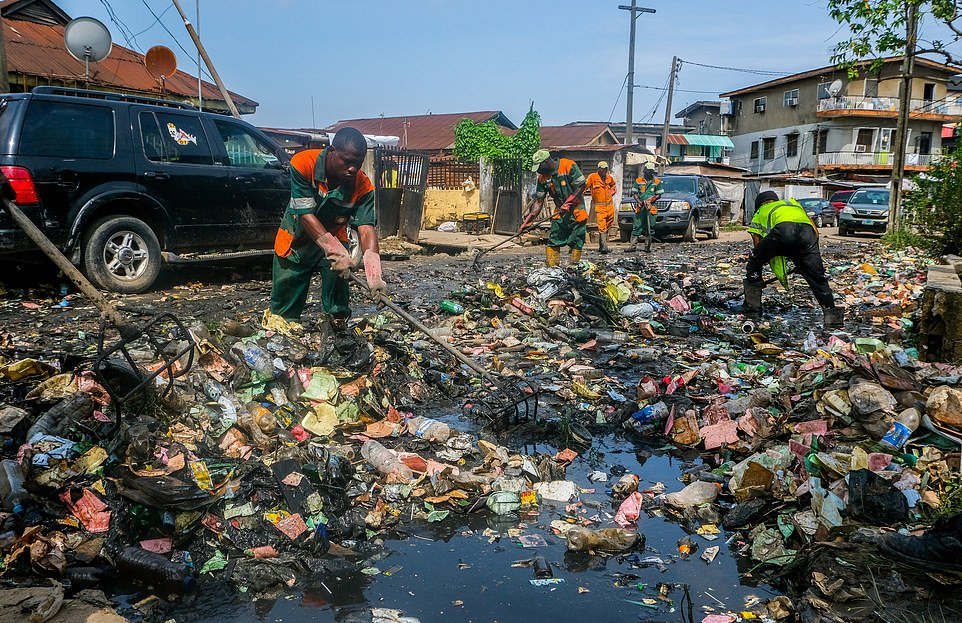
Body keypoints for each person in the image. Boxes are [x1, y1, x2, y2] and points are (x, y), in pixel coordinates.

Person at [270, 127, 387, 326]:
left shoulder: (363, 186)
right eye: (347, 161)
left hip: (335, 235)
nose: (352, 169)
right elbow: (305, 215)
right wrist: (334, 251)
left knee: (338, 294)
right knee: (284, 310)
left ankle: (337, 328)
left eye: (357, 164)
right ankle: (283, 329)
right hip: (296, 238)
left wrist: (374, 275)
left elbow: (367, 229)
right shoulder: (304, 163)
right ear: (332, 152)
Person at [744, 190, 842, 327]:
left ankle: (753, 309)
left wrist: (757, 269)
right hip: (808, 235)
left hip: (783, 231)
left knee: (754, 263)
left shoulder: (761, 211)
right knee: (817, 278)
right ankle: (832, 316)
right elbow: (816, 232)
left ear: (759, 204)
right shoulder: (793, 204)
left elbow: (758, 245)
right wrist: (807, 262)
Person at [521, 149, 587, 267]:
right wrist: (529, 220)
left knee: (577, 240)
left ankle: (574, 267)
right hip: (560, 211)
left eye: (539, 167)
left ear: (546, 162)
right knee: (554, 239)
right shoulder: (542, 178)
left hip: (576, 209)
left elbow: (581, 185)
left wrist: (569, 202)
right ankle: (552, 268)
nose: (538, 171)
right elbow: (539, 201)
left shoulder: (568, 165)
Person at [583, 161, 618, 254]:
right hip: (600, 206)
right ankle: (604, 246)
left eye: (606, 169)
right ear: (598, 169)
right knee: (602, 226)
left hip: (610, 205)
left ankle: (601, 245)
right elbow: (584, 187)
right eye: (602, 169)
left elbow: (614, 186)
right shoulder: (592, 177)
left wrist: (612, 192)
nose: (604, 171)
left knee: (608, 225)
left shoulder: (609, 178)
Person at [627, 163, 663, 252]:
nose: (649, 172)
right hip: (641, 208)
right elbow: (635, 194)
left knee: (650, 227)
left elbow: (659, 194)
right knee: (637, 226)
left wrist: (652, 199)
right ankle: (632, 246)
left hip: (651, 207)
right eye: (648, 170)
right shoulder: (639, 181)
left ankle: (647, 247)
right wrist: (640, 202)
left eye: (651, 171)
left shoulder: (657, 181)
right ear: (644, 170)